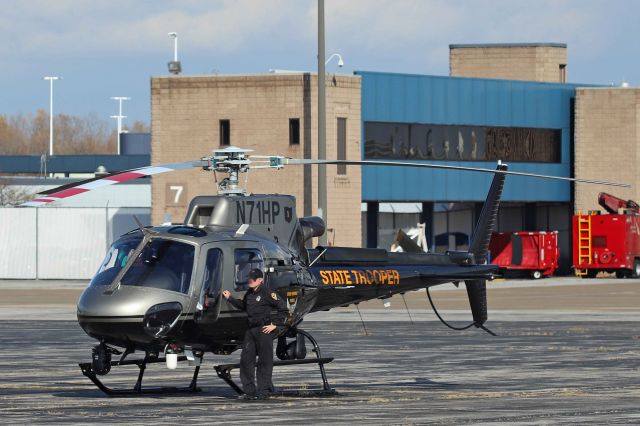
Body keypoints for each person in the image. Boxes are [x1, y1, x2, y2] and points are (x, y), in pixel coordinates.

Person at [222, 268, 288, 400]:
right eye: (249, 279)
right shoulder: (250, 293)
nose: (250, 281)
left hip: (264, 330)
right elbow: (244, 306)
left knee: (264, 361)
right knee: (246, 360)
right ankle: (249, 391)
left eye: (253, 279)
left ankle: (263, 391)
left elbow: (283, 309)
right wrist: (230, 298)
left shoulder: (267, 292)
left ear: (260, 280)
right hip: (251, 330)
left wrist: (275, 325)